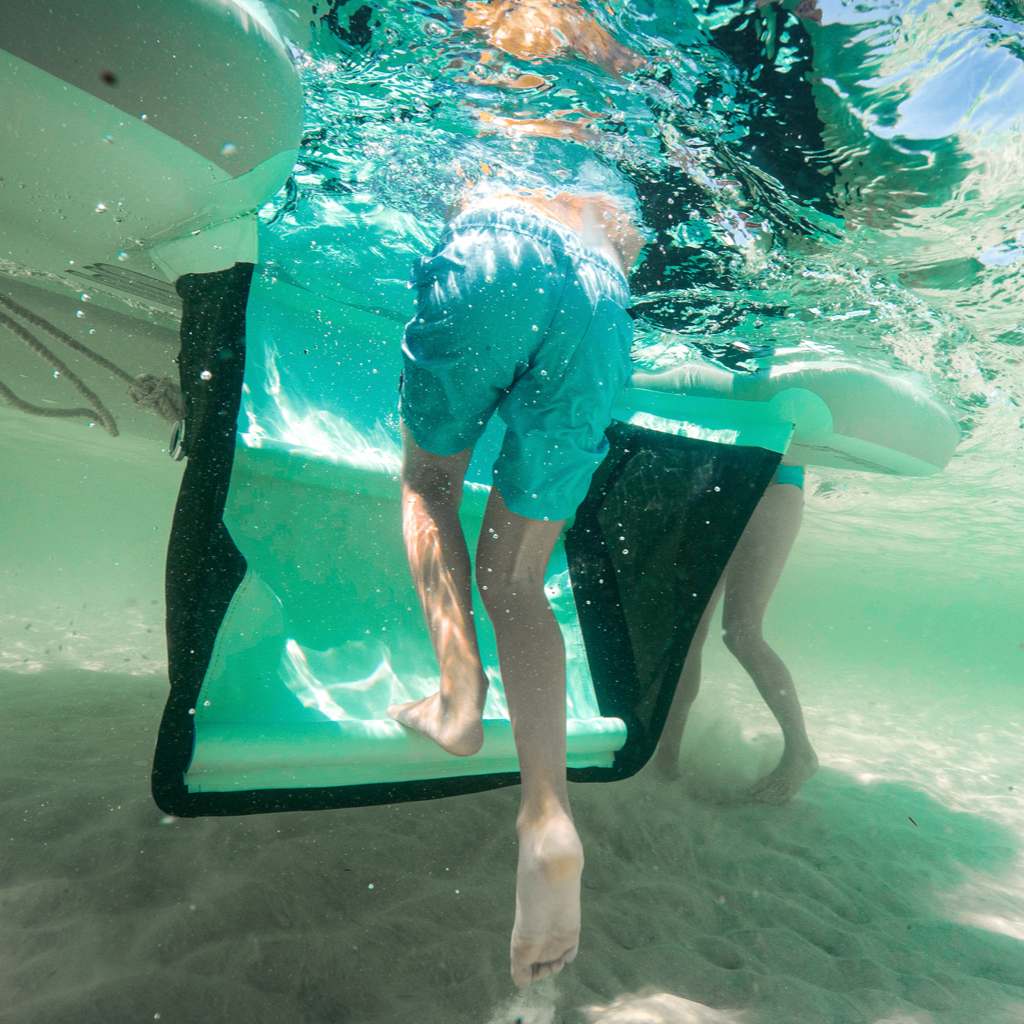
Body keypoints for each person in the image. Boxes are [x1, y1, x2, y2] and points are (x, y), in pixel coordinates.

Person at [386, 0, 648, 988]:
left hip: (497, 244)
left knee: (427, 483)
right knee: (519, 580)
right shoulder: (622, 50)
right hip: (600, 288)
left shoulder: (491, 11)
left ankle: (459, 700)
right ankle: (547, 811)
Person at [652, 460, 819, 803]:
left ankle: (800, 751)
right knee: (686, 636)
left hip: (772, 485)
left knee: (741, 632)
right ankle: (665, 763)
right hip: (714, 484)